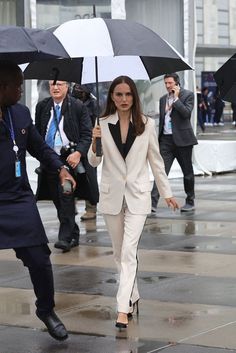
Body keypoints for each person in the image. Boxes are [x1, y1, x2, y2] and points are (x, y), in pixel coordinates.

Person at [88, 75, 179, 329]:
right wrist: (94, 142)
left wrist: (167, 192)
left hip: (138, 196)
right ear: (112, 97)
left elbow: (156, 161)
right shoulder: (102, 123)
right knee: (119, 254)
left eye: (128, 94)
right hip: (112, 197)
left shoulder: (147, 124)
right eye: (119, 94)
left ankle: (122, 307)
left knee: (129, 252)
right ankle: (133, 295)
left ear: (134, 97)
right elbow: (94, 162)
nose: (124, 99)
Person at [0, 60, 76, 340]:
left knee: (40, 259)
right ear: (2, 87)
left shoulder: (19, 114)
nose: (22, 90)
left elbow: (39, 147)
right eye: (18, 86)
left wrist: (60, 168)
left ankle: (46, 309)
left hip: (18, 199)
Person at [35, 80, 92, 252]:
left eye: (59, 84)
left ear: (67, 87)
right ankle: (73, 233)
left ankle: (65, 238)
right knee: (58, 200)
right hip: (50, 160)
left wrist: (78, 153)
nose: (55, 88)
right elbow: (37, 134)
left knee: (66, 196)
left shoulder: (77, 106)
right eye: (52, 85)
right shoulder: (42, 107)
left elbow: (86, 135)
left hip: (70, 159)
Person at [151, 73, 197, 214]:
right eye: (165, 83)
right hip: (166, 140)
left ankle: (190, 201)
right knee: (161, 172)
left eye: (170, 83)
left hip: (183, 140)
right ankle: (152, 203)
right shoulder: (163, 99)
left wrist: (176, 99)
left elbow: (186, 114)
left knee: (187, 172)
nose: (167, 86)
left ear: (177, 83)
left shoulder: (188, 95)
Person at [71, 83, 99, 221]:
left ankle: (91, 208)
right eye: (76, 88)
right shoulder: (70, 102)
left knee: (90, 177)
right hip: (73, 144)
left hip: (89, 145)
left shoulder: (94, 104)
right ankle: (71, 206)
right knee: (71, 175)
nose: (78, 90)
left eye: (81, 89)